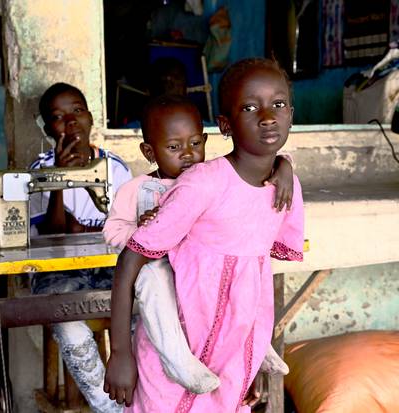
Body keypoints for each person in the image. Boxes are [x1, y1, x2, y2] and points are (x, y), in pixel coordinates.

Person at [104, 58, 304, 412]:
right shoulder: (202, 182)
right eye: (249, 107)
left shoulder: (287, 185)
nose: (268, 116)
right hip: (174, 355)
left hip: (230, 360)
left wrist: (253, 354)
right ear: (225, 124)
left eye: (278, 104)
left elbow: (251, 276)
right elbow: (132, 258)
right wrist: (120, 353)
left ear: (291, 112)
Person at [29, 82, 132, 413]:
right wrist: (59, 178)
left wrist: (83, 226)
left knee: (143, 312)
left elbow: (124, 227)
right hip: (58, 272)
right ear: (49, 129)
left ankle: (147, 399)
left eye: (76, 110)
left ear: (90, 117)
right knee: (67, 322)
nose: (70, 122)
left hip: (108, 269)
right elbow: (53, 232)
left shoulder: (115, 168)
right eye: (58, 117)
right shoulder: (39, 170)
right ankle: (110, 409)